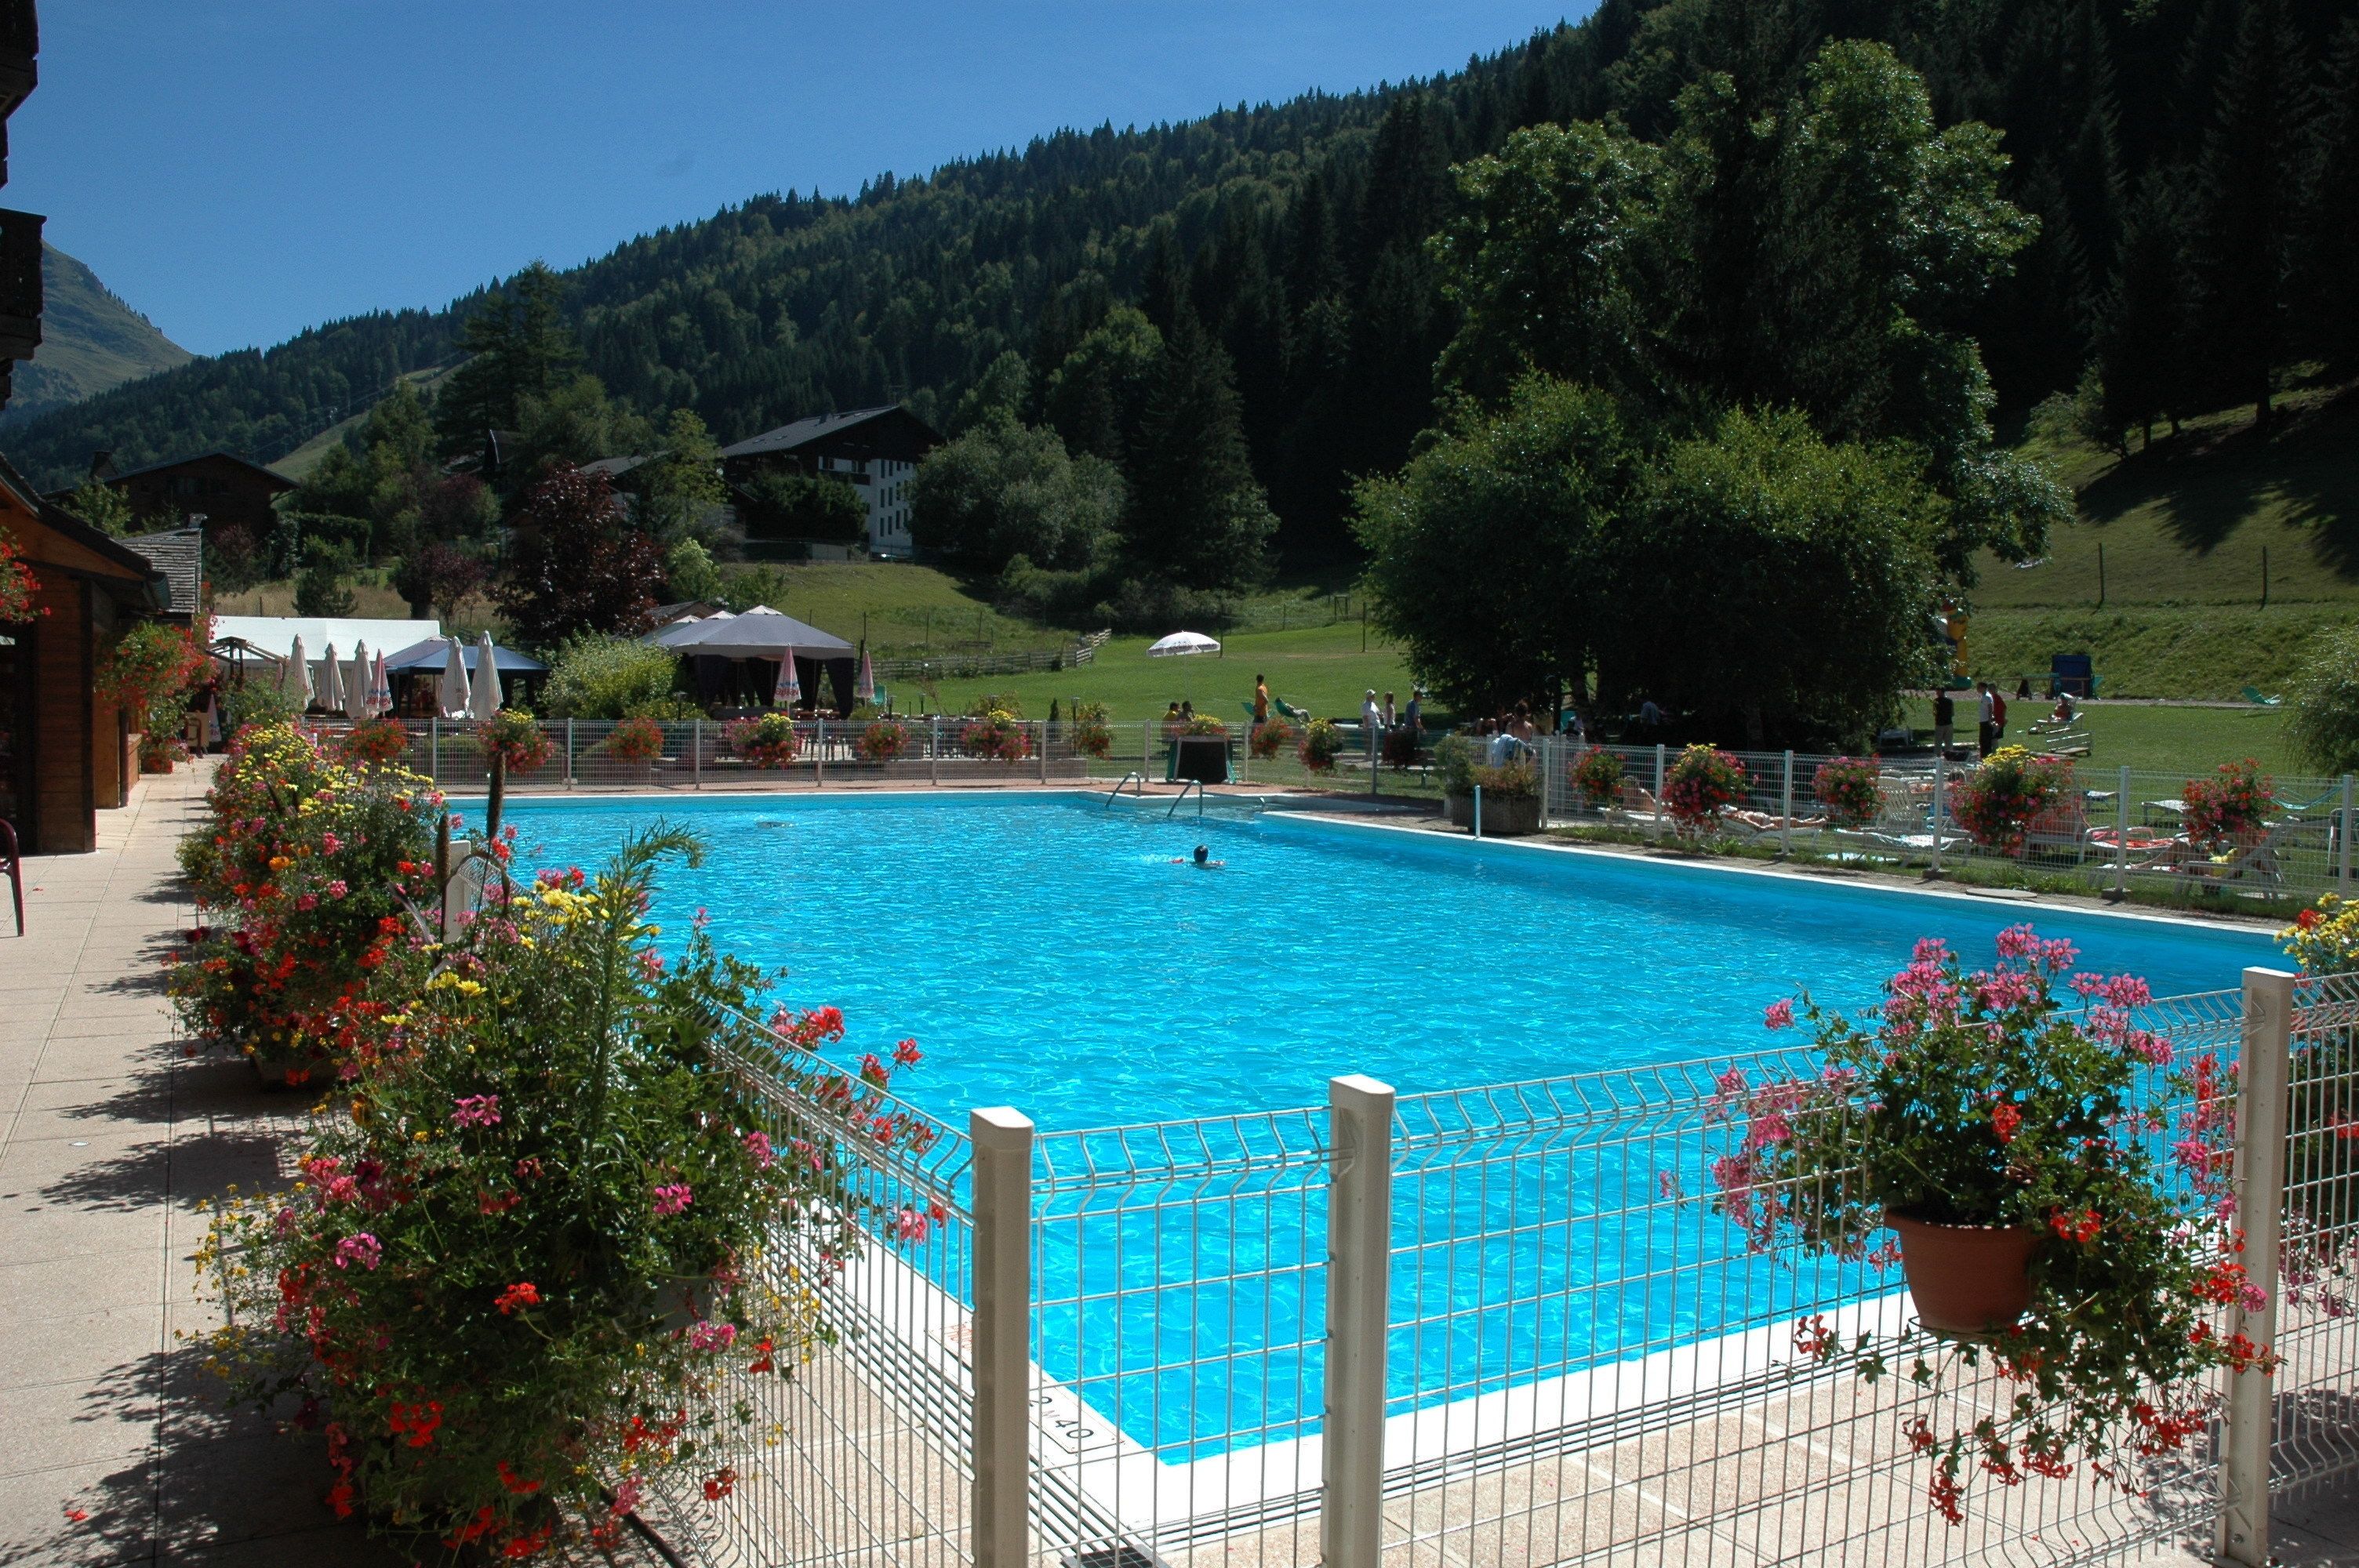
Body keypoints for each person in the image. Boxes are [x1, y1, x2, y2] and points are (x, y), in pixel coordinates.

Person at [1976, 682, 1997, 757]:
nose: (1977, 689)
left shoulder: (1987, 697)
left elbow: (1990, 708)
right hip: (1983, 720)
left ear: (1983, 687)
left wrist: (1990, 720)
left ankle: (1986, 756)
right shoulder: (1984, 696)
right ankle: (1983, 755)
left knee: (1986, 741)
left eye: (1979, 687)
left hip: (1986, 721)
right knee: (1982, 740)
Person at [1932, 688, 1954, 756]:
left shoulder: (1936, 701)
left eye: (1938, 692)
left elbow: (1934, 712)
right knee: (1949, 742)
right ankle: (1949, 755)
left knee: (1938, 741)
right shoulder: (1950, 701)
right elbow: (1952, 713)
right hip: (1949, 723)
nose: (1937, 693)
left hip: (1939, 723)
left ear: (1941, 692)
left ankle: (1938, 756)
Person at [1362, 689, 1382, 765]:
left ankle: (1372, 755)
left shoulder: (1373, 704)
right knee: (1369, 742)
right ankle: (1368, 755)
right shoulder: (1365, 706)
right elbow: (1365, 717)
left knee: (1374, 742)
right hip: (1370, 727)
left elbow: (1377, 712)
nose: (1374, 697)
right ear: (1369, 696)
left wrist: (1380, 715)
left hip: (1376, 726)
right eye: (1373, 695)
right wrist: (1366, 727)